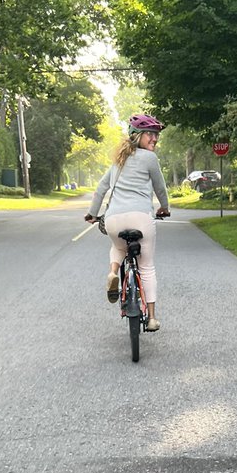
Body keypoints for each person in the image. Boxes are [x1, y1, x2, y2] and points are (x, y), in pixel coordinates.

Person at [85, 113, 171, 332]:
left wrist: (92, 214)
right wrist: (164, 207)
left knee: (118, 246)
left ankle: (113, 273)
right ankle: (152, 318)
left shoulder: (118, 160)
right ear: (136, 135)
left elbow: (101, 189)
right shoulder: (150, 158)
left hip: (113, 219)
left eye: (156, 135)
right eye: (150, 134)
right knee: (146, 266)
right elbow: (160, 187)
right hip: (141, 217)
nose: (154, 138)